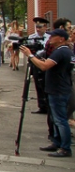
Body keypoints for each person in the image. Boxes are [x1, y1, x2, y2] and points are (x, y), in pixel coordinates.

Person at [21, 28, 72, 158]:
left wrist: (30, 55)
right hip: (57, 88)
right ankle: (57, 142)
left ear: (61, 39)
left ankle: (65, 147)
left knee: (60, 119)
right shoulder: (62, 51)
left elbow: (44, 66)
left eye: (53, 36)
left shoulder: (61, 51)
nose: (50, 39)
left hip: (58, 89)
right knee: (55, 118)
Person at [28, 17, 50, 115]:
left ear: (45, 27)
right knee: (38, 84)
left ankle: (48, 105)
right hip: (35, 63)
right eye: (37, 27)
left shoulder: (49, 38)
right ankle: (41, 106)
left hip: (46, 63)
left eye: (40, 27)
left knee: (46, 84)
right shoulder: (32, 37)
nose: (38, 29)